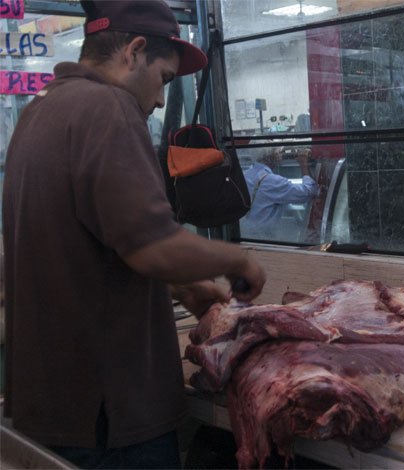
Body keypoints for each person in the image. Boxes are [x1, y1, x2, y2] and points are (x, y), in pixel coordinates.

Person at [1, 1, 266, 468]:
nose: (162, 99)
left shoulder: (39, 113)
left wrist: (187, 286)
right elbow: (151, 246)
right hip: (111, 420)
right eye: (163, 79)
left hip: (52, 410)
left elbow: (99, 239)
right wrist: (237, 261)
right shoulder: (109, 108)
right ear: (134, 51)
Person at [240, 144, 320, 240]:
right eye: (277, 152)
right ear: (269, 157)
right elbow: (309, 191)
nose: (280, 155)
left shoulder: (245, 175)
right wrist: (303, 164)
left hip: (244, 234)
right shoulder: (272, 181)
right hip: (263, 239)